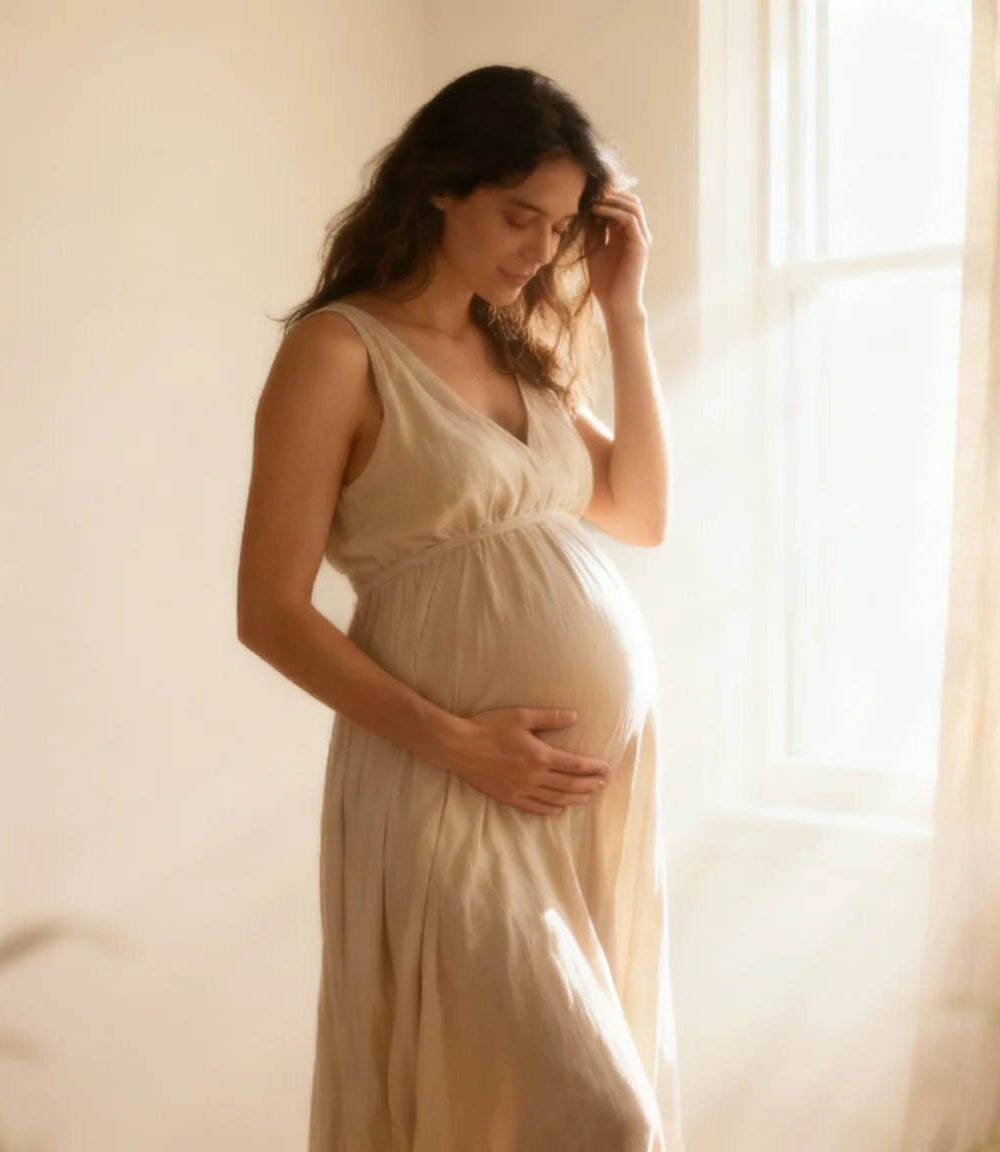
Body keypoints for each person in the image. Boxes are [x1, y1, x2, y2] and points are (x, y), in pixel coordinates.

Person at [236, 64, 681, 1151]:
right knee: (596, 1126)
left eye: (560, 224)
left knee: (523, 1121)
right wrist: (460, 744)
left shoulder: (517, 353)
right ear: (439, 187)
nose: (538, 248)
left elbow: (638, 510)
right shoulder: (337, 351)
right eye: (515, 214)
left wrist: (622, 315)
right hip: (444, 781)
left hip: (571, 795)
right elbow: (268, 610)